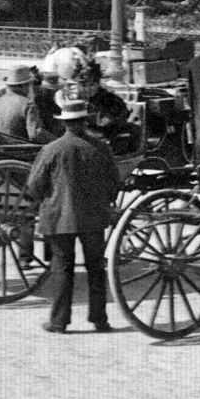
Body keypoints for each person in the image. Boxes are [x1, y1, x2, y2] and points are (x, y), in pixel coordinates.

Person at [26, 98, 122, 333]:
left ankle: (59, 321)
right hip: (93, 218)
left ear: (64, 123)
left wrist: (48, 199)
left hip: (59, 218)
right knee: (96, 268)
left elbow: (34, 186)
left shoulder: (51, 149)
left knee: (62, 269)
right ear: (86, 121)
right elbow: (114, 183)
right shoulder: (101, 147)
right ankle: (100, 319)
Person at [75, 62, 136, 150]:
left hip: (108, 139)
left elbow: (110, 124)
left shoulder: (110, 100)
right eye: (83, 85)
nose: (88, 89)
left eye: (92, 84)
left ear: (98, 83)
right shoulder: (74, 101)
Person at [0, 66, 55, 144]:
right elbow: (35, 134)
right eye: (30, 85)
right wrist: (58, 142)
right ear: (23, 86)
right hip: (19, 150)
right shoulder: (27, 104)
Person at [33, 68, 64, 138]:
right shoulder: (39, 100)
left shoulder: (48, 99)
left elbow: (58, 111)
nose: (53, 92)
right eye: (50, 90)